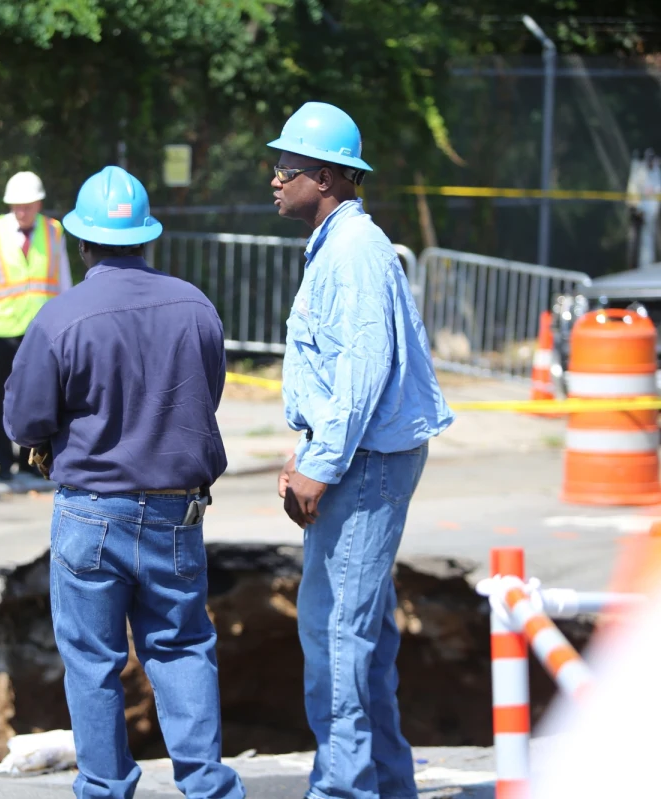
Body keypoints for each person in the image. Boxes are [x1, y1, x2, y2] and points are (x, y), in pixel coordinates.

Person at [2, 165, 245, 799]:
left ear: (83, 243)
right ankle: (208, 788)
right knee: (182, 647)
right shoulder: (195, 306)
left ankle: (106, 789)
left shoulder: (60, 317)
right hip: (175, 513)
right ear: (146, 238)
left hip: (91, 513)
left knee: (92, 662)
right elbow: (207, 395)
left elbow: (24, 419)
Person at [269, 101, 454, 799]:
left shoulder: (353, 250)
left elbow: (363, 368)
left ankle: (345, 788)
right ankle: (383, 780)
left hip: (366, 460)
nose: (275, 180)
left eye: (285, 168)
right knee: (357, 628)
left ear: (324, 176)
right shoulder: (341, 245)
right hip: (359, 453)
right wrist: (309, 447)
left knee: (338, 635)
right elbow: (339, 371)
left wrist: (321, 463)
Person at [0, 171, 72, 481]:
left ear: (39, 203)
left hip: (42, 332)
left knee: (40, 398)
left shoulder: (54, 232)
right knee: (4, 398)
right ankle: (3, 463)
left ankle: (32, 461)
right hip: (3, 331)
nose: (22, 211)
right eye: (17, 206)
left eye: (28, 205)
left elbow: (63, 279)